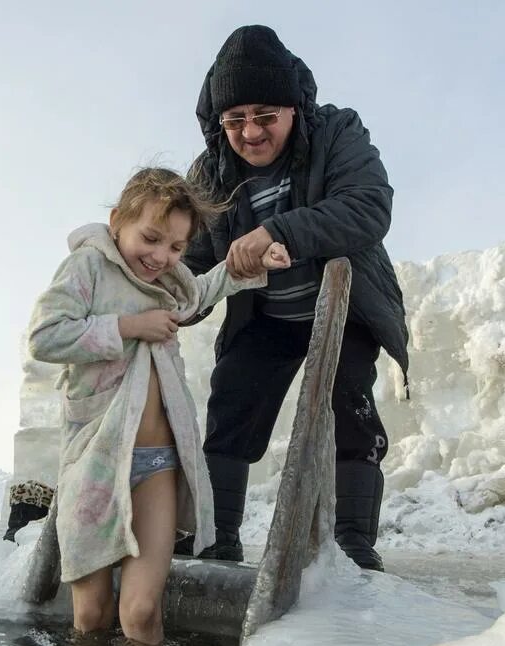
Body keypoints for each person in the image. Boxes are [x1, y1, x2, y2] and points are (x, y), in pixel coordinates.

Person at [176, 25, 409, 570]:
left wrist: (277, 233)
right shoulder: (210, 171)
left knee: (350, 409)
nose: (251, 133)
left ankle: (351, 546)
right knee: (231, 405)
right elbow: (193, 257)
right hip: (265, 314)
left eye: (265, 116)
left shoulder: (337, 132)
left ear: (293, 109)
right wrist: (169, 298)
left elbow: (368, 207)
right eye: (234, 121)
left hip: (344, 306)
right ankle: (218, 538)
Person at [26, 167, 289, 646]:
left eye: (175, 247)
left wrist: (251, 264)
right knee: (91, 613)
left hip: (158, 464)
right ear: (116, 222)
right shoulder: (87, 267)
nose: (161, 257)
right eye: (150, 238)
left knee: (142, 611)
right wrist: (129, 327)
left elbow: (201, 293)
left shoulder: (170, 281)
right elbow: (45, 336)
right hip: (96, 462)